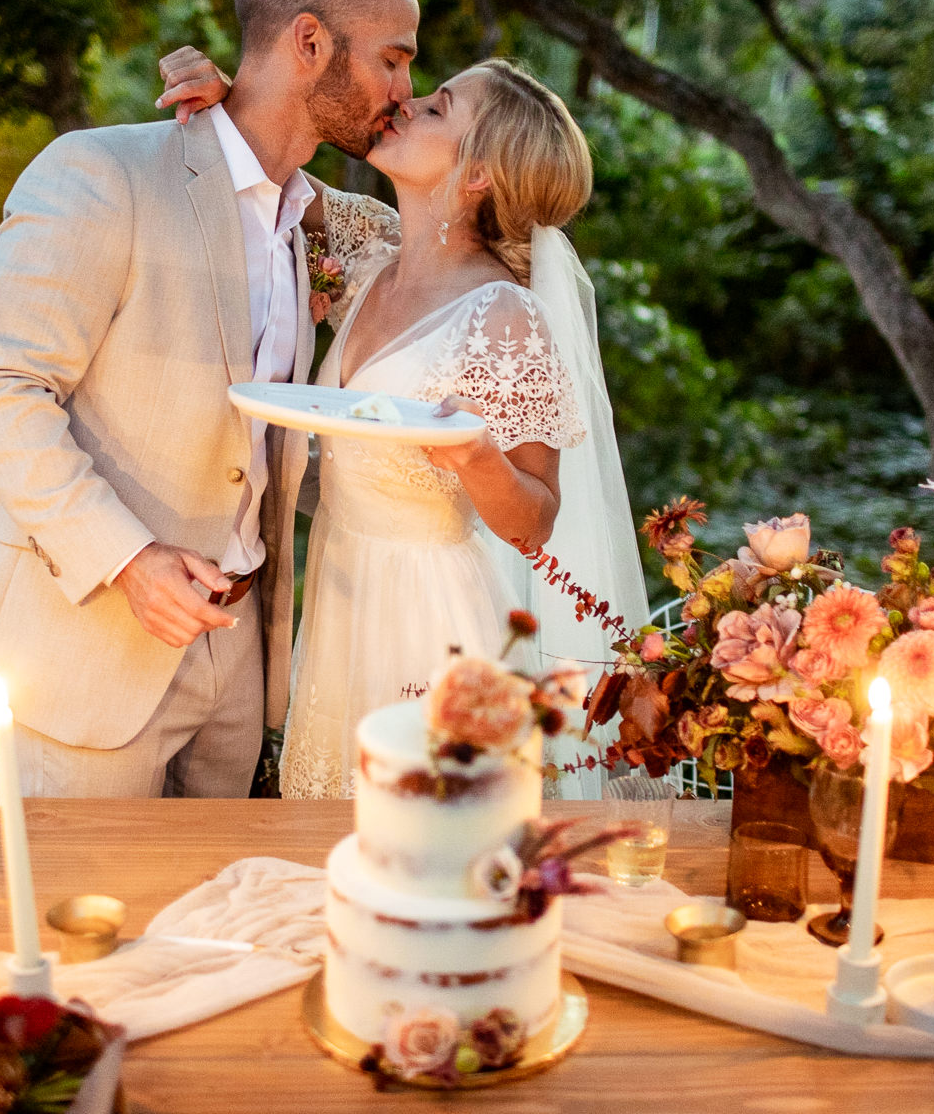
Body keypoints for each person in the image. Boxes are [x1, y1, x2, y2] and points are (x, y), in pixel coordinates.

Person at [0, 0, 420, 797]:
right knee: (81, 923)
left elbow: (435, 242)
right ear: (309, 43)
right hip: (88, 648)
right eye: (393, 61)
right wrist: (126, 559)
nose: (404, 93)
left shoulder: (310, 220)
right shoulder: (101, 174)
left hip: (237, 659)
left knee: (211, 923)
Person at [158, 54, 649, 798]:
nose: (409, 103)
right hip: (337, 598)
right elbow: (274, 179)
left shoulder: (504, 317)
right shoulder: (371, 254)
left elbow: (535, 521)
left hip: (427, 618)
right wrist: (237, 102)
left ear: (479, 174)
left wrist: (474, 453)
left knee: (429, 850)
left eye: (440, 107)